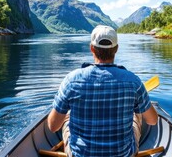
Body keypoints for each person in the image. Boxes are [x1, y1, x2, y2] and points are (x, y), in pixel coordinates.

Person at [48, 25, 158, 157]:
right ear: (116, 49)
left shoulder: (71, 80)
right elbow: (152, 120)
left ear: (91, 48)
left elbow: (53, 126)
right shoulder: (133, 82)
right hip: (123, 154)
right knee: (137, 114)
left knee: (67, 116)